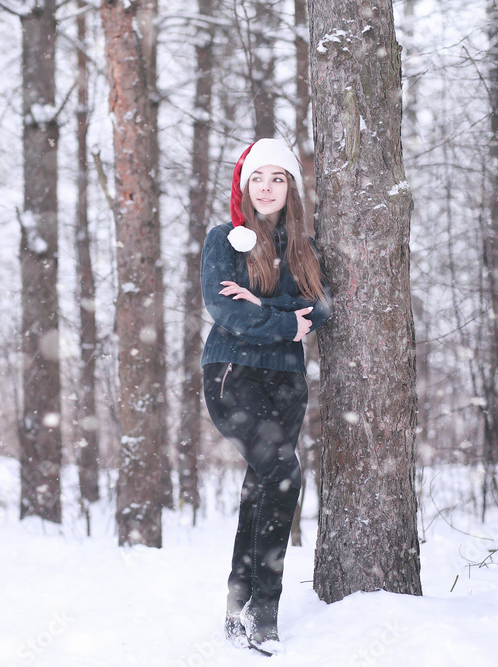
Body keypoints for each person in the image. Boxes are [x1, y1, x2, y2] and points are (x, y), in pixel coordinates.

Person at [200, 138, 330, 656]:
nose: (268, 187)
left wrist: (268, 306)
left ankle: (237, 608)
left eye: (278, 178)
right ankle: (265, 614)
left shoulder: (305, 248)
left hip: (287, 381)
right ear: (245, 185)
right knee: (283, 473)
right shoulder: (223, 241)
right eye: (258, 178)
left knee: (262, 488)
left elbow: (320, 309)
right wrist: (282, 317)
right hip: (232, 375)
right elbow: (226, 311)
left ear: (291, 188)